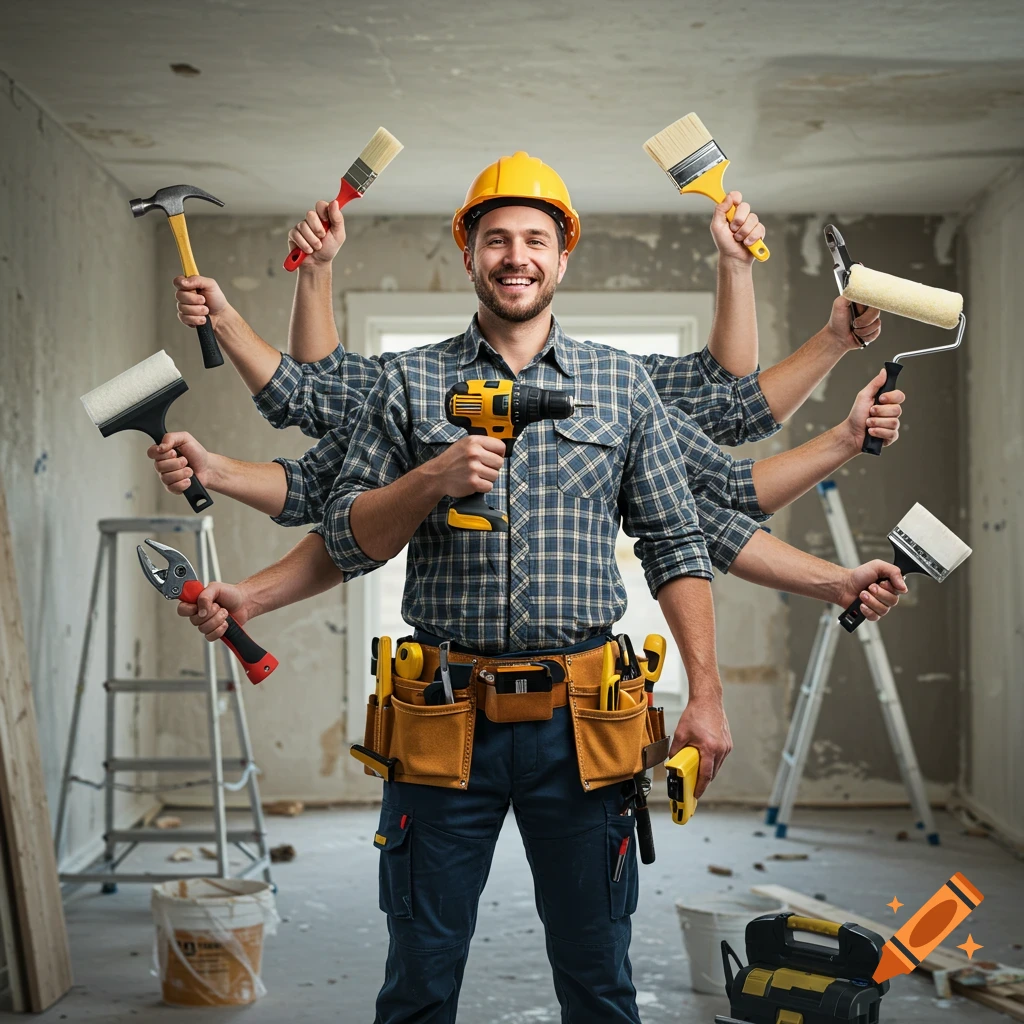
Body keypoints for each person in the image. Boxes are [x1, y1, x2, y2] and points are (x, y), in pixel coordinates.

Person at [170, 155, 905, 1023]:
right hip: (442, 715)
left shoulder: (620, 384)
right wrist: (430, 480)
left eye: (534, 240)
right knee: (420, 974)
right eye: (495, 240)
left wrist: (707, 695)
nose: (514, 256)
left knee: (599, 976)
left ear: (562, 257)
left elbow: (680, 538)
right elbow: (347, 536)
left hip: (585, 723)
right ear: (469, 255)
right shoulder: (409, 382)